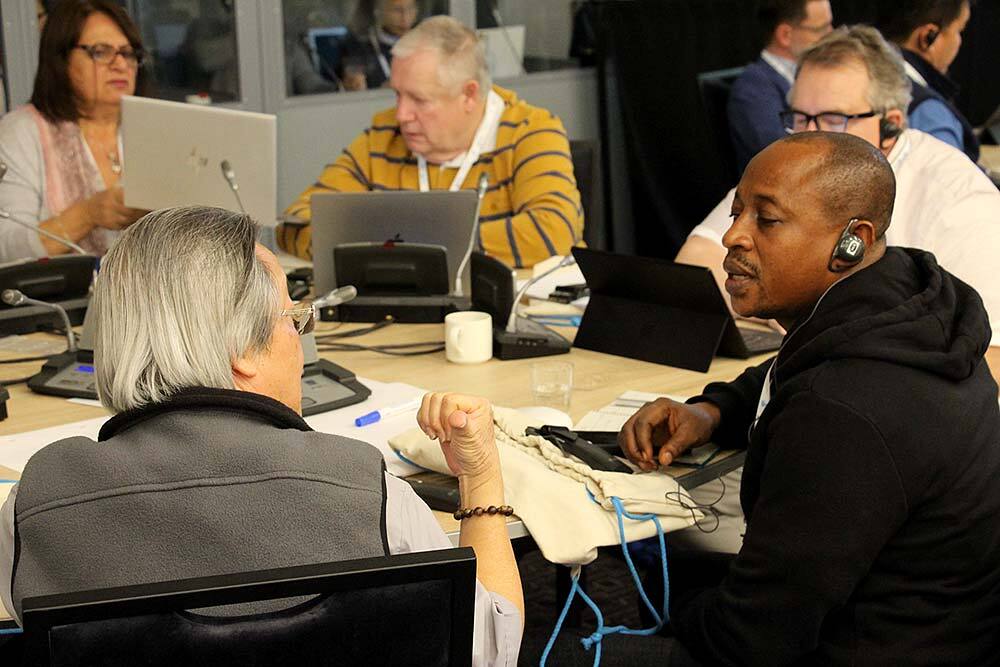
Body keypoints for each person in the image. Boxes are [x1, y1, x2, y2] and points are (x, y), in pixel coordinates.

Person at [0, 206, 523, 665]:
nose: (300, 342)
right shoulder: (370, 493)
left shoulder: (30, 509)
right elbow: (489, 650)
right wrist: (480, 476)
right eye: (294, 319)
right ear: (243, 351)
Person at [609, 132, 1000, 665]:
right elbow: (791, 367)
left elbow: (753, 638)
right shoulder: (899, 312)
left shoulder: (842, 410)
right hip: (918, 624)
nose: (732, 237)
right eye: (737, 212)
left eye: (766, 220)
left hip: (857, 648)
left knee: (533, 648)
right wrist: (711, 412)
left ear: (852, 241)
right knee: (665, 571)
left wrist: (674, 613)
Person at [679, 25, 1000, 383]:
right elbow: (696, 265)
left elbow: (991, 357)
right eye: (799, 118)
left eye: (834, 120)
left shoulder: (958, 198)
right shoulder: (790, 172)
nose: (809, 134)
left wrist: (818, 320)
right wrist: (788, 304)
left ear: (890, 126)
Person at [278, 15, 584, 269]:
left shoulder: (531, 132)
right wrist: (419, 249)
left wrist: (394, 246)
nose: (401, 114)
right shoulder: (384, 135)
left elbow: (552, 232)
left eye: (419, 100)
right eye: (397, 94)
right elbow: (294, 225)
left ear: (469, 95)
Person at [0, 0, 148, 263]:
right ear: (61, 59)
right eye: (100, 52)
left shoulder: (153, 127)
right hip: (62, 290)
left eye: (127, 53)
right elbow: (6, 250)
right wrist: (88, 213)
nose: (120, 64)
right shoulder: (21, 131)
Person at [727, 0, 832, 173]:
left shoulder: (818, 76)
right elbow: (785, 159)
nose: (831, 35)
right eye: (821, 29)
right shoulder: (751, 91)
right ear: (785, 35)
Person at [877, 0, 980, 162]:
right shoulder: (930, 113)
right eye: (959, 30)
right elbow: (949, 176)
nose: (959, 42)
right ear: (928, 36)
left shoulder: (859, 72)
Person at [341, 0, 420, 91]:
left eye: (410, 8)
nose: (405, 17)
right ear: (379, 12)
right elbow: (354, 82)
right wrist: (356, 84)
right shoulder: (359, 46)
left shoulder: (427, 42)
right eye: (397, 10)